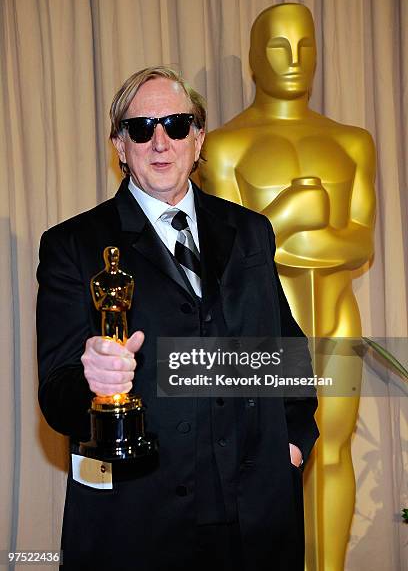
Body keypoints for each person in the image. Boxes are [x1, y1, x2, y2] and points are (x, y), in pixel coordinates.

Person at [37, 65, 319, 571]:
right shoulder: (72, 246)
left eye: (176, 124)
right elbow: (58, 394)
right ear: (120, 146)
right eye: (141, 128)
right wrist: (92, 383)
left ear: (199, 135)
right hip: (136, 522)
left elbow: (285, 349)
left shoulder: (251, 232)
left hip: (253, 521)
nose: (160, 141)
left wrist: (295, 442)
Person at [201, 3, 376, 570]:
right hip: (261, 332)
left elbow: (359, 243)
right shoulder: (225, 146)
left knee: (333, 454)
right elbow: (225, 258)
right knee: (264, 462)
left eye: (305, 45)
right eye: (278, 46)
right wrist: (296, 211)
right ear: (254, 59)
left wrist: (278, 230)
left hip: (337, 320)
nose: (295, 59)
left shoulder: (352, 141)